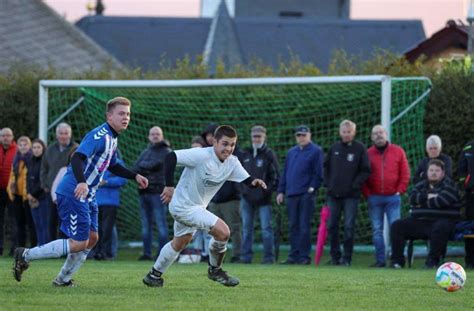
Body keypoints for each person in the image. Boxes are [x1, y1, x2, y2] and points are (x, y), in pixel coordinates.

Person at [13, 97, 148, 286]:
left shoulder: (113, 138)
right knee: (78, 242)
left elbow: (114, 165)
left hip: (88, 195)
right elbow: (77, 158)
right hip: (74, 192)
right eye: (121, 114)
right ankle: (25, 254)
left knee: (92, 238)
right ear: (109, 116)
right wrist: (82, 182)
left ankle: (62, 280)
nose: (126, 117)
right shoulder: (100, 135)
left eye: (128, 114)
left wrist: (134, 176)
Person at [142, 125, 267, 288]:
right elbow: (171, 157)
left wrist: (254, 182)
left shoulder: (232, 162)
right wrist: (169, 186)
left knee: (179, 242)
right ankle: (215, 270)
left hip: (195, 208)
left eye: (232, 144)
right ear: (214, 142)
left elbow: (246, 179)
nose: (228, 148)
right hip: (183, 206)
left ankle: (154, 275)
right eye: (225, 143)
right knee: (223, 232)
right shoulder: (201, 155)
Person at [390, 159, 461, 268]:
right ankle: (397, 262)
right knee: (397, 226)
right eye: (431, 170)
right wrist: (429, 196)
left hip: (443, 221)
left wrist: (421, 202)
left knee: (440, 227)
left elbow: (441, 201)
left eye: (437, 170)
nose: (433, 173)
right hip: (420, 221)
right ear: (427, 172)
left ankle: (432, 262)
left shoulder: (450, 185)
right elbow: (412, 198)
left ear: (443, 173)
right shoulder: (420, 185)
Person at [363, 125, 410, 267]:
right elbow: (362, 175)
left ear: (386, 134)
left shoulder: (398, 151)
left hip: (392, 198)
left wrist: (399, 190)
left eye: (381, 132)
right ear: (371, 137)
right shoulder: (367, 153)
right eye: (375, 133)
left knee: (395, 228)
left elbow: (405, 173)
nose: (378, 135)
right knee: (377, 230)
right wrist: (367, 193)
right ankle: (380, 260)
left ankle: (397, 260)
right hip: (374, 198)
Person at [324, 120, 370, 266]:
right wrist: (329, 185)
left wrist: (355, 185)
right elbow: (325, 168)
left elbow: (365, 170)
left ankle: (347, 258)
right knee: (332, 226)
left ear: (354, 132)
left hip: (351, 196)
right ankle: (335, 257)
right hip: (333, 195)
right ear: (340, 132)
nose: (346, 134)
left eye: (349, 132)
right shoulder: (334, 148)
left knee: (349, 226)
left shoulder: (360, 148)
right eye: (344, 132)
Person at [276, 125, 324, 265]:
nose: (301, 137)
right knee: (293, 226)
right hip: (291, 194)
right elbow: (285, 173)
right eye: (299, 135)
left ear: (309, 135)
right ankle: (293, 255)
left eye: (304, 135)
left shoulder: (316, 151)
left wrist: (311, 189)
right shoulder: (291, 152)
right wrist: (281, 191)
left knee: (304, 226)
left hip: (305, 195)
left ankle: (304, 257)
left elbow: (318, 173)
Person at [238, 125, 279, 264]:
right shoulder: (245, 153)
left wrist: (266, 191)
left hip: (264, 199)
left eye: (259, 136)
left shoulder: (269, 154)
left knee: (266, 229)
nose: (256, 139)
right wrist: (243, 191)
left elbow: (275, 176)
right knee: (246, 229)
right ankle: (245, 257)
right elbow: (237, 174)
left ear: (264, 137)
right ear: (251, 137)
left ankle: (268, 258)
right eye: (254, 136)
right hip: (246, 198)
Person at [134, 126, 172, 260]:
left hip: (158, 193)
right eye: (153, 134)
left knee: (161, 224)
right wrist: (146, 168)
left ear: (162, 136)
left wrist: (144, 168)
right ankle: (147, 253)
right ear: (149, 136)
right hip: (144, 192)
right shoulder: (146, 151)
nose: (155, 136)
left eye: (157, 134)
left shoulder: (167, 152)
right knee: (146, 225)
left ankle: (163, 254)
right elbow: (136, 167)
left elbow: (154, 165)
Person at [41, 123, 78, 241]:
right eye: (61, 133)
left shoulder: (77, 148)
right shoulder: (50, 149)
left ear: (70, 134)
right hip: (52, 193)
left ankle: (67, 248)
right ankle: (51, 247)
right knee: (51, 221)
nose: (63, 136)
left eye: (66, 133)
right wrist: (45, 185)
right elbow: (43, 169)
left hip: (70, 194)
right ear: (57, 135)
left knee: (67, 222)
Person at [93, 155, 127, 260]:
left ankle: (107, 253)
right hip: (95, 201)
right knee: (96, 228)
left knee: (107, 228)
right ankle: (96, 253)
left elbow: (123, 180)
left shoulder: (118, 163)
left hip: (111, 201)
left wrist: (107, 182)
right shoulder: (95, 162)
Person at [7, 136, 36, 248]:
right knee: (19, 224)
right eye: (21, 145)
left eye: (25, 145)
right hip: (17, 196)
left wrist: (28, 193)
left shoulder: (32, 159)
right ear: (17, 146)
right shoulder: (16, 159)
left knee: (31, 224)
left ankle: (34, 247)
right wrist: (10, 190)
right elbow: (12, 176)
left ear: (29, 146)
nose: (23, 147)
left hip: (27, 196)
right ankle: (20, 248)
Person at [26, 139, 49, 246]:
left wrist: (33, 194)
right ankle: (40, 246)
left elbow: (43, 181)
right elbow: (28, 179)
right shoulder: (30, 161)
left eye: (38, 147)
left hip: (42, 197)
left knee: (44, 224)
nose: (36, 150)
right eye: (34, 147)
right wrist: (28, 193)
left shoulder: (45, 161)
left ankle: (46, 247)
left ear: (43, 148)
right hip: (32, 198)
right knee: (37, 224)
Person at [0, 128, 17, 256]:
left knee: (13, 220)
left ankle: (14, 248)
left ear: (12, 137)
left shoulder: (17, 150)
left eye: (8, 135)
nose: (6, 137)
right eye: (3, 135)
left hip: (12, 191)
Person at [458, 139, 474, 269]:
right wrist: (466, 185)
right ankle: (470, 261)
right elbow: (461, 170)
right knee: (470, 229)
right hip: (471, 196)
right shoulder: (468, 146)